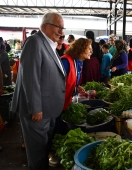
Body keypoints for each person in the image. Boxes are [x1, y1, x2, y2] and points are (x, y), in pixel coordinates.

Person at [11, 12, 66, 170]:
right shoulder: (35, 42)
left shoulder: (50, 44)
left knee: (43, 150)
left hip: (48, 109)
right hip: (37, 111)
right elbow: (30, 77)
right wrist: (36, 108)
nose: (61, 32)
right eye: (58, 27)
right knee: (37, 153)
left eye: (62, 28)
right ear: (44, 26)